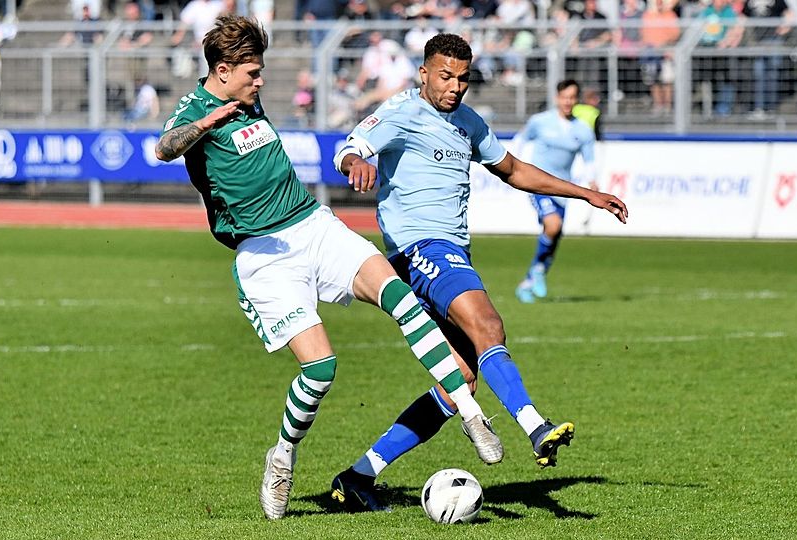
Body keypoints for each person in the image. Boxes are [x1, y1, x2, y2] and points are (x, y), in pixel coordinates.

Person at [154, 16, 500, 521]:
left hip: (313, 224)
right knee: (320, 370)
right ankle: (282, 457)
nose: (260, 81)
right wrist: (205, 125)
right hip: (264, 254)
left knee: (400, 296)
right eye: (252, 73)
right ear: (223, 71)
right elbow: (164, 148)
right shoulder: (196, 109)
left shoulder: (246, 97)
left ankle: (471, 414)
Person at [329, 34, 628, 511]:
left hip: (450, 253)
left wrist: (586, 194)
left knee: (460, 383)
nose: (454, 86)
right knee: (488, 325)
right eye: (445, 76)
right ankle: (535, 426)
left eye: (462, 78)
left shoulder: (468, 122)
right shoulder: (401, 111)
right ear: (424, 73)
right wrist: (354, 161)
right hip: (419, 249)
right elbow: (350, 146)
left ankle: (358, 476)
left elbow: (513, 170)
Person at [513, 80, 597, 304]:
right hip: (537, 184)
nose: (568, 101)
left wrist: (592, 181)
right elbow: (520, 139)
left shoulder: (583, 130)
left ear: (576, 99)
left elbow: (589, 159)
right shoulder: (540, 121)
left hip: (562, 189)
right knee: (553, 225)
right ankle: (537, 272)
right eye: (564, 97)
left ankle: (529, 281)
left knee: (554, 237)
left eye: (572, 97)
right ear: (557, 98)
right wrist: (512, 166)